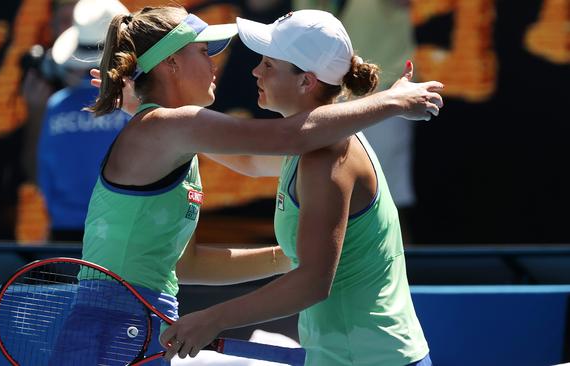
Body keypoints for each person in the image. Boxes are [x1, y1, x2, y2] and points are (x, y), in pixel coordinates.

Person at [80, 5, 441, 365]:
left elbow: (261, 158)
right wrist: (391, 102)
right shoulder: (167, 129)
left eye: (268, 64)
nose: (249, 69)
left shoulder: (319, 152)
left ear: (306, 80)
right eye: (204, 52)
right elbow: (286, 139)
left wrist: (217, 316)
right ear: (170, 64)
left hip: (372, 357)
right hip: (117, 330)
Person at [294, 0, 419, 245]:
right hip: (325, 101)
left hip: (384, 97)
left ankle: (402, 275)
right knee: (321, 198)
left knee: (387, 200)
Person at [36, 0, 131, 242]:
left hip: (63, 236)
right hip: (120, 236)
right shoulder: (132, 105)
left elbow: (43, 179)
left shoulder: (56, 105)